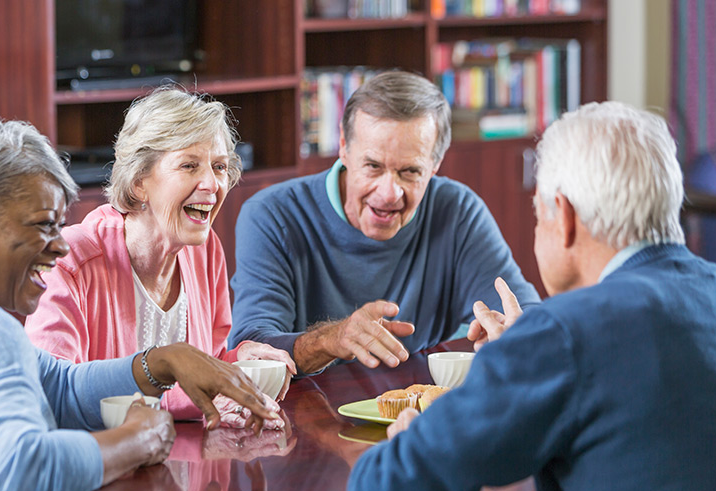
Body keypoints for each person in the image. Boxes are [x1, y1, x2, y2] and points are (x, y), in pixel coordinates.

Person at [0, 116, 279, 491]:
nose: (61, 245)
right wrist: (135, 441)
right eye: (43, 225)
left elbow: (60, 388)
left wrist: (160, 362)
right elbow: (24, 475)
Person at [348, 102, 716, 491]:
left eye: (537, 214)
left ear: (562, 216)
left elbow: (385, 486)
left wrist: (411, 440)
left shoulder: (562, 332)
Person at [228, 71, 540, 374]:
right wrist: (333, 339)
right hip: (305, 417)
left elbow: (528, 316)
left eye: (410, 172)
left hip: (421, 415)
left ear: (435, 165)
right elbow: (252, 346)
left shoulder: (457, 209)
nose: (389, 193)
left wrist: (509, 332)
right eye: (373, 166)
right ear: (344, 148)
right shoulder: (272, 214)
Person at [25, 87, 295, 423]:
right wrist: (205, 394)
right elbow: (55, 399)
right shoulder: (69, 261)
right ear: (139, 181)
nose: (212, 184)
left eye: (220, 167)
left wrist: (236, 362)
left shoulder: (205, 249)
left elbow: (204, 359)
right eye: (189, 165)